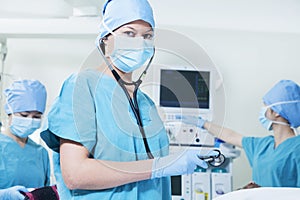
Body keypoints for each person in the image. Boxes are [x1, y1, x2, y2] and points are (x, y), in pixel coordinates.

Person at [40, 0, 215, 199]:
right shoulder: (82, 87)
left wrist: (174, 162)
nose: (139, 42)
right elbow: (75, 174)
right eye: (129, 33)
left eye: (147, 36)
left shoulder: (146, 103)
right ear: (106, 38)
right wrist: (158, 167)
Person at [182, 79, 300, 187]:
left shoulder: (297, 149)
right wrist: (203, 123)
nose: (262, 110)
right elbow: (230, 136)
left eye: (265, 106)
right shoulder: (263, 145)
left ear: (276, 112)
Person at [0, 79, 50, 199]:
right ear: (9, 111)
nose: (30, 120)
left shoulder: (41, 153)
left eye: (36, 116)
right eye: (24, 115)